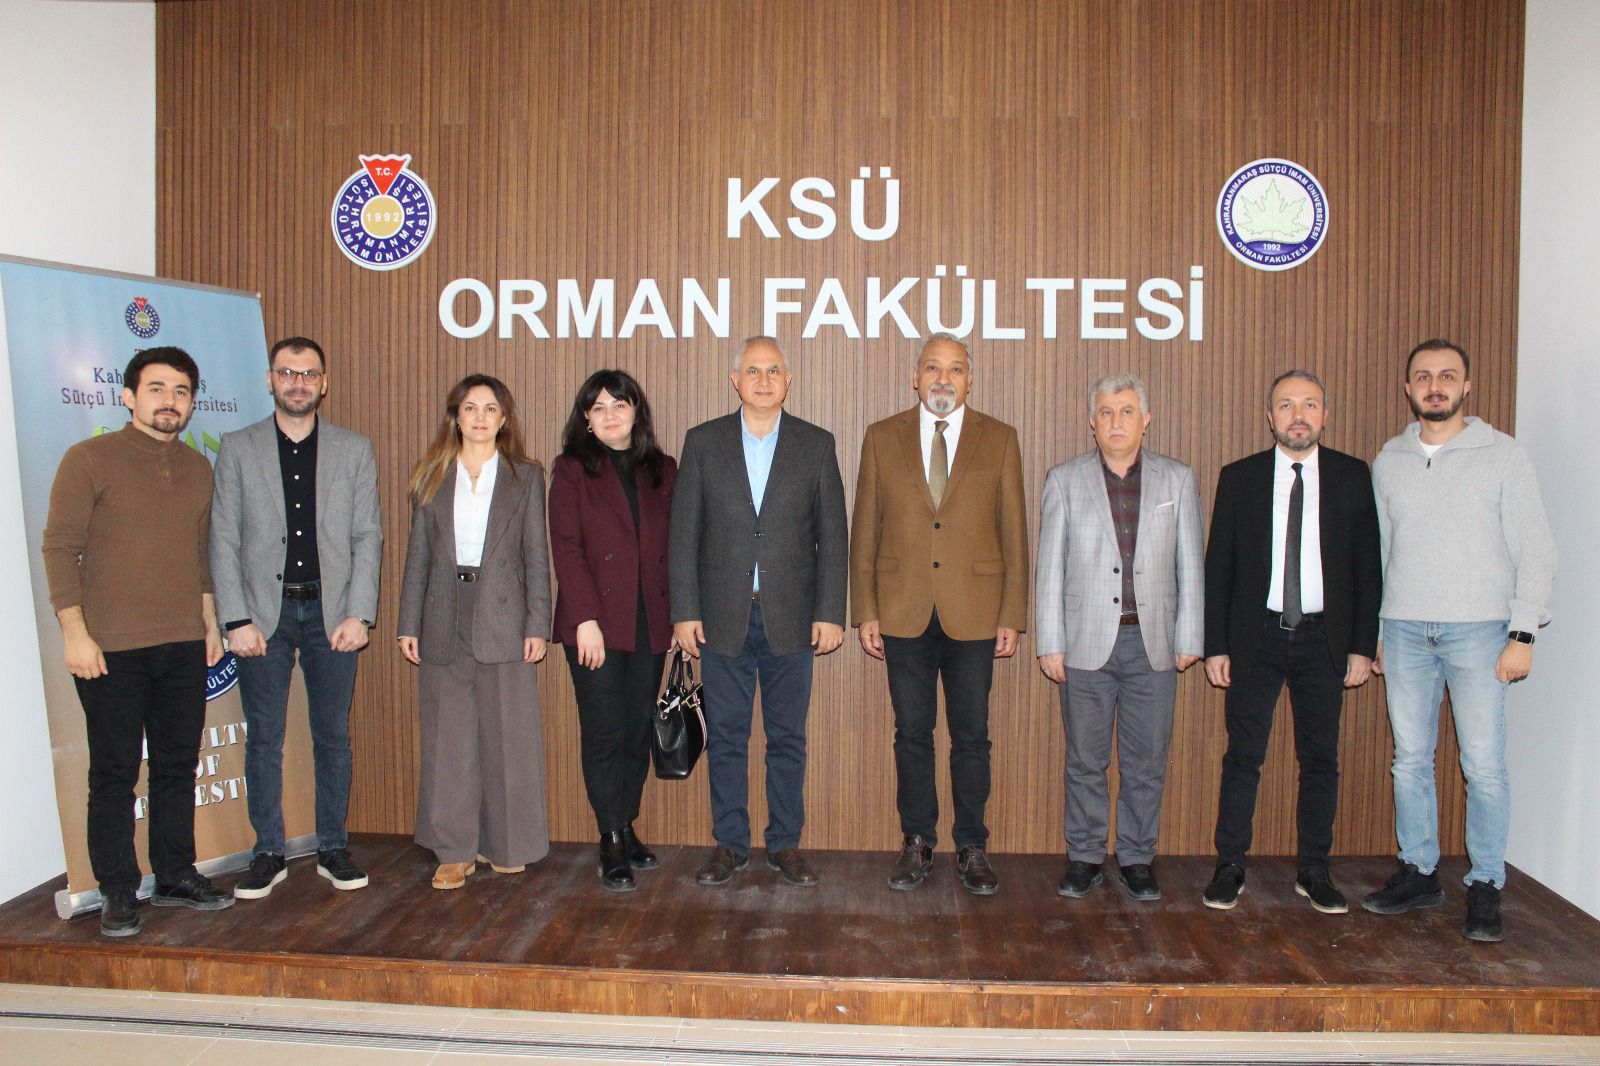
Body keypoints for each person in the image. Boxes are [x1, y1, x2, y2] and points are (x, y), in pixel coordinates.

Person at [1363, 339, 1555, 942]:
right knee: (1409, 762)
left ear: (1466, 387)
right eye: (1423, 376)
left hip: (1480, 631)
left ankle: (1486, 882)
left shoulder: (1504, 456)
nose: (1435, 385)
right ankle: (1419, 871)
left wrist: (1522, 633)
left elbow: (1536, 550)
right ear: (1409, 388)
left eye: (1447, 376)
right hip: (1404, 630)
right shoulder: (1389, 460)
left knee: (1484, 766)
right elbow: (1381, 554)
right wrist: (1377, 632)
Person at [43, 346, 233, 937]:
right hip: (110, 649)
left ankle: (174, 874)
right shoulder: (88, 459)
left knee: (177, 765)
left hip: (182, 644)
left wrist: (209, 624)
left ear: (192, 403)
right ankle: (118, 890)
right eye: (156, 389)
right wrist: (75, 634)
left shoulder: (199, 468)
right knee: (114, 773)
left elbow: (200, 557)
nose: (169, 401)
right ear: (128, 397)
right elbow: (60, 548)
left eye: (181, 391)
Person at [850, 333, 1028, 895]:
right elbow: (865, 529)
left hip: (975, 612)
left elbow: (1014, 532)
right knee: (912, 733)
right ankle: (917, 842)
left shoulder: (1000, 438)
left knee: (972, 736)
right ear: (915, 377)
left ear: (969, 380)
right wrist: (866, 609)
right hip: (902, 609)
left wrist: (1012, 613)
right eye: (933, 368)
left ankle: (972, 845)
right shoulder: (881, 437)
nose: (943, 379)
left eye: (955, 369)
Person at [669, 336, 848, 888]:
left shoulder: (816, 444)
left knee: (787, 738)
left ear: (788, 380)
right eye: (753, 371)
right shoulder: (703, 442)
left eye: (773, 371)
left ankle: (785, 843)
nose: (764, 380)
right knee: (726, 737)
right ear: (736, 381)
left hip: (791, 619)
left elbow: (832, 536)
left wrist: (830, 611)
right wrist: (684, 611)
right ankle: (729, 844)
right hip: (721, 617)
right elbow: (683, 534)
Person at [1200, 369, 1382, 914]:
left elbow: (1368, 568)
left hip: (1325, 639)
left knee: (1321, 758)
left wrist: (1362, 645)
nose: (1297, 416)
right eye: (1286, 405)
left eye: (1309, 405)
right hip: (1255, 636)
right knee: (1243, 756)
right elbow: (1219, 567)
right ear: (1270, 416)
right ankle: (1230, 866)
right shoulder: (1240, 477)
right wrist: (1216, 645)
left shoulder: (1352, 476)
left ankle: (1314, 869)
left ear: (1325, 415)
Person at [210, 337, 382, 900]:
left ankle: (333, 846)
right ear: (270, 380)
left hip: (332, 613)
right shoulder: (238, 448)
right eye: (288, 372)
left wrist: (360, 613)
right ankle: (268, 853)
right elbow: (223, 537)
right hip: (264, 615)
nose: (298, 383)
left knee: (333, 737)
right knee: (264, 739)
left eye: (309, 374)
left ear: (323, 383)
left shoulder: (354, 450)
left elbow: (367, 537)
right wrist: (235, 618)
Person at [1034, 372, 1203, 903]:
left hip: (1152, 643)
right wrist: (1050, 641)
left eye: (1127, 411)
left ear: (1145, 420)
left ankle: (1136, 857)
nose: (1116, 422)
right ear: (1092, 422)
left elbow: (1190, 565)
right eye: (1106, 412)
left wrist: (1190, 634)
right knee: (1085, 760)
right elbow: (1050, 568)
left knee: (1146, 762)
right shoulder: (1064, 480)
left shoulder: (1178, 480)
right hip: (1085, 643)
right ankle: (1085, 855)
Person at [397, 374, 551, 890]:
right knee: (449, 737)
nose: (480, 417)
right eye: (470, 408)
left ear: (504, 419)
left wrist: (538, 624)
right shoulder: (431, 476)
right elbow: (417, 557)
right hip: (443, 612)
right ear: (456, 417)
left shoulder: (526, 477)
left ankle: (506, 845)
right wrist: (407, 624)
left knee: (509, 735)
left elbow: (536, 556)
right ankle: (454, 850)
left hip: (505, 615)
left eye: (490, 408)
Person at [549, 369, 678, 892]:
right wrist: (585, 619)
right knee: (605, 731)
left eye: (619, 405)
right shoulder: (571, 469)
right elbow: (566, 548)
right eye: (598, 407)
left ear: (636, 412)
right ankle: (609, 840)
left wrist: (679, 616)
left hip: (650, 620)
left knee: (637, 728)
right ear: (586, 417)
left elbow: (678, 545)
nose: (610, 415)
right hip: (594, 625)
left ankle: (626, 825)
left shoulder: (663, 469)